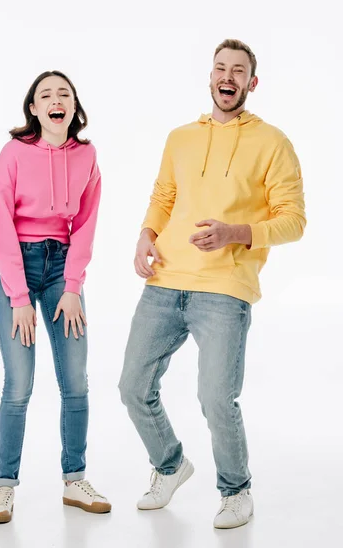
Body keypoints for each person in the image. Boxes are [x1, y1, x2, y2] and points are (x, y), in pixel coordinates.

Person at [119, 39, 306, 529]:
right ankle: (170, 465)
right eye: (220, 68)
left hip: (226, 287)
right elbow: (164, 194)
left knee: (216, 398)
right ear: (210, 77)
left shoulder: (274, 143)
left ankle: (236, 490)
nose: (228, 76)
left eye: (238, 70)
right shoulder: (181, 136)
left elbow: (294, 221)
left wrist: (236, 234)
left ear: (251, 82)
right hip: (164, 280)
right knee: (132, 386)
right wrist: (145, 235)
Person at [0, 70, 111, 524]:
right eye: (45, 95)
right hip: (13, 266)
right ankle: (4, 487)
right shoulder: (13, 153)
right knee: (19, 384)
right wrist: (18, 296)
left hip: (61, 266)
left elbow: (87, 224)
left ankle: (74, 479)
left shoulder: (88, 155)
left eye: (64, 94)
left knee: (75, 380)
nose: (55, 100)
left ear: (73, 108)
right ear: (34, 110)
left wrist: (73, 286)